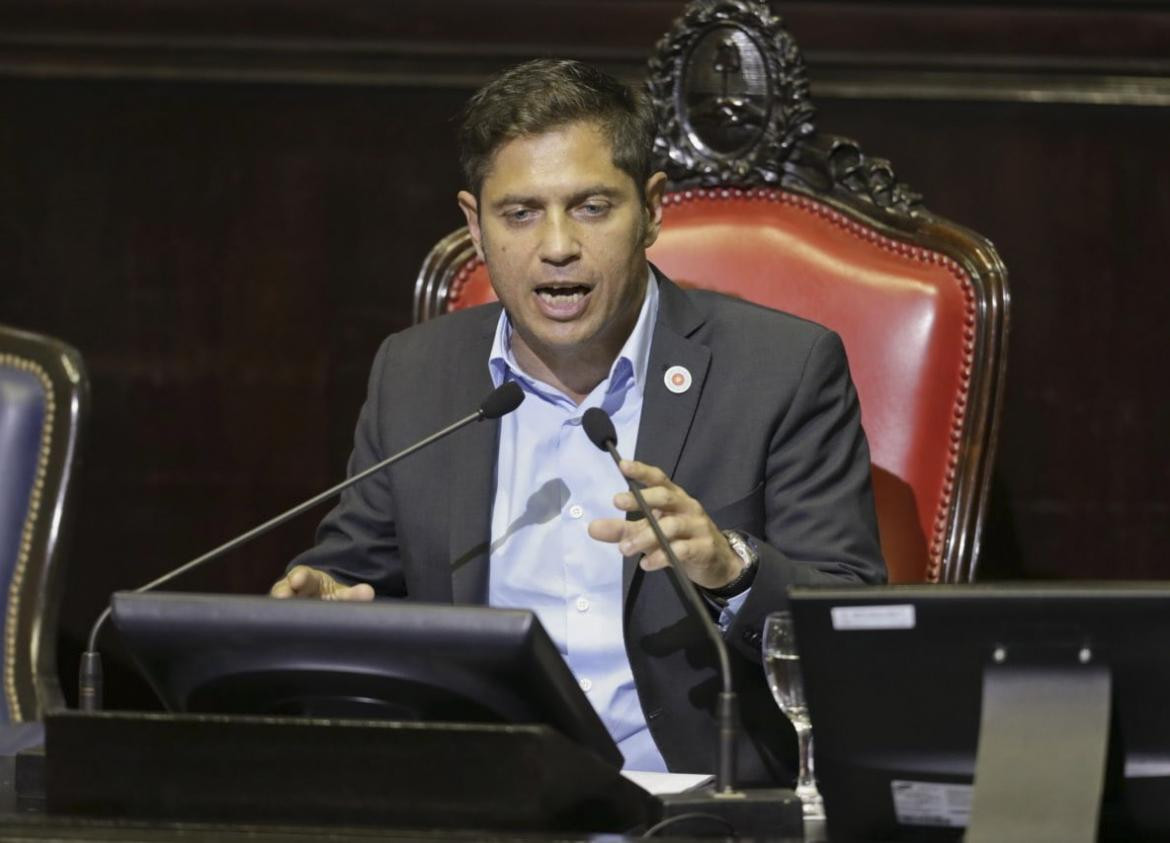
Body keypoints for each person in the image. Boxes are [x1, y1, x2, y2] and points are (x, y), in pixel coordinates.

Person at [271, 59, 885, 784]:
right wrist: (320, 602)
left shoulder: (782, 369)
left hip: (700, 808)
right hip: (485, 803)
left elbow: (856, 631)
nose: (556, 245)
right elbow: (354, 575)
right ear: (475, 223)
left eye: (591, 207)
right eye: (520, 212)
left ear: (651, 209)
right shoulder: (416, 376)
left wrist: (732, 568)